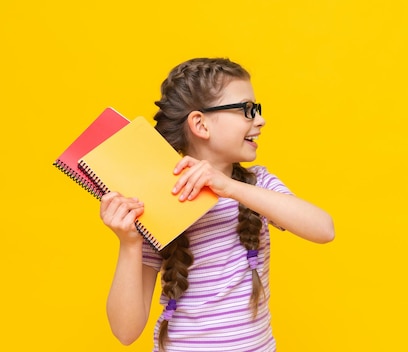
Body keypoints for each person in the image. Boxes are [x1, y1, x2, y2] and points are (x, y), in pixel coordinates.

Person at [99, 57, 335, 352]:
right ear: (200, 124)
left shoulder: (256, 185)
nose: (260, 120)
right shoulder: (157, 203)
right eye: (248, 110)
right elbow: (125, 331)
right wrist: (129, 243)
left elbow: (324, 229)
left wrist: (230, 188)